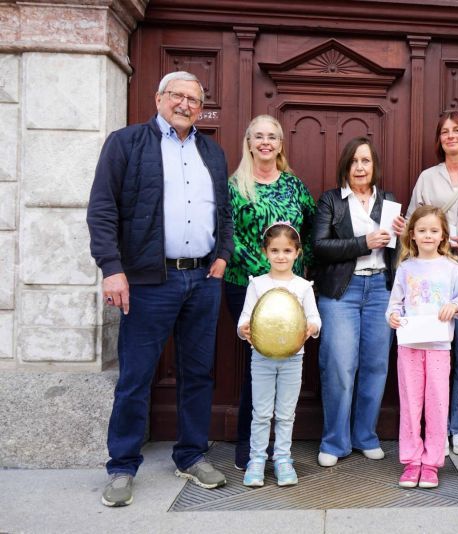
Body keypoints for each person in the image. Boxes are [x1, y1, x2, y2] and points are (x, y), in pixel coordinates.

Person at [86, 71, 233, 507]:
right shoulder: (126, 143)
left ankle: (191, 455)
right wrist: (112, 269)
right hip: (149, 280)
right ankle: (122, 465)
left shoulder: (212, 151)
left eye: (194, 99)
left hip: (203, 279)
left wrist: (222, 255)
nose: (185, 104)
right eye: (177, 95)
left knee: (198, 373)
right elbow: (102, 208)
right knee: (136, 375)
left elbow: (223, 212)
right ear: (158, 98)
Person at [225, 114, 316, 469]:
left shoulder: (294, 186)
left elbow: (311, 229)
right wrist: (262, 271)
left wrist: (300, 268)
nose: (265, 142)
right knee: (258, 363)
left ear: (280, 145)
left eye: (272, 137)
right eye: (259, 136)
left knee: (287, 364)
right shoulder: (235, 186)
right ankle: (250, 447)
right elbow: (227, 233)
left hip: (290, 287)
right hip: (246, 286)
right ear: (249, 143)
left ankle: (282, 451)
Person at [313, 136, 398, 467]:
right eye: (354, 161)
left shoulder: (388, 201)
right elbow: (320, 247)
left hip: (380, 289)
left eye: (366, 161)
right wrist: (364, 242)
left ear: (374, 165)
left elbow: (397, 250)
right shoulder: (331, 200)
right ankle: (334, 441)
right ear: (345, 166)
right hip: (341, 292)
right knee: (339, 366)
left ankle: (366, 435)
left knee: (376, 365)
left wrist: (404, 234)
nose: (360, 167)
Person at [406, 111, 458, 456]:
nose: (451, 136)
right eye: (444, 132)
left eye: (457, 131)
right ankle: (431, 429)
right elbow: (413, 219)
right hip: (432, 273)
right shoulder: (428, 177)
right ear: (439, 139)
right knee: (430, 349)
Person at [387, 205, 458, 489]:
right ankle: (412, 460)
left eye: (434, 231)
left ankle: (432, 462)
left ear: (443, 236)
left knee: (437, 403)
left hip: (438, 347)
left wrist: (455, 306)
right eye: (422, 230)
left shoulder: (451, 268)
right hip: (409, 346)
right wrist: (393, 317)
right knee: (411, 403)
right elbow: (394, 305)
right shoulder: (405, 268)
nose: (428, 235)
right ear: (412, 234)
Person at [236, 222, 321, 487]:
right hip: (262, 358)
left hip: (293, 359)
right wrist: (244, 330)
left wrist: (312, 327)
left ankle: (283, 458)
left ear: (297, 252)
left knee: (286, 413)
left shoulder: (303, 286)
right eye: (275, 250)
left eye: (287, 250)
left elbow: (315, 318)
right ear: (265, 252)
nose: (281, 256)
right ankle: (257, 459)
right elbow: (244, 319)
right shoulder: (257, 284)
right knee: (261, 412)